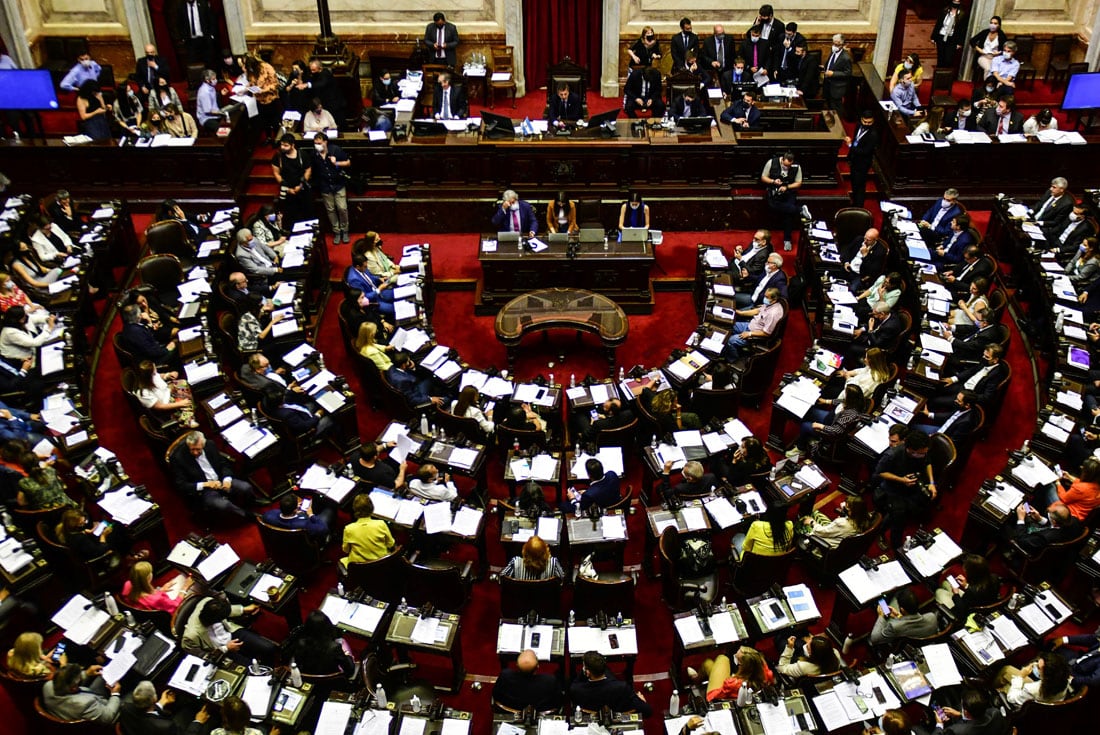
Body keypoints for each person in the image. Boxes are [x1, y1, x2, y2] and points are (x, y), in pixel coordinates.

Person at [168, 431, 257, 521]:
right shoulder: (178, 458)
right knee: (224, 505)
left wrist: (227, 479)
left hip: (221, 479)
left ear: (203, 444)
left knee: (246, 487)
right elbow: (181, 485)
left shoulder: (210, 445)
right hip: (205, 490)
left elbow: (223, 464)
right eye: (192, 449)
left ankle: (251, 505)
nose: (195, 452)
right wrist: (205, 484)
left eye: (198, 449)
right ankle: (246, 515)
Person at [873, 430, 938, 549]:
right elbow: (880, 473)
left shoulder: (922, 450)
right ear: (909, 449)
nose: (922, 455)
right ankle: (896, 546)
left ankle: (882, 526)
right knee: (899, 519)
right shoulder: (892, 455)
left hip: (912, 486)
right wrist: (902, 480)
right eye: (919, 453)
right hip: (893, 489)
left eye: (924, 452)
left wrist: (931, 482)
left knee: (914, 507)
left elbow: (927, 462)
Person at [181, 596, 277, 663]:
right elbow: (202, 656)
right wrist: (226, 648)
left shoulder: (208, 601)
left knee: (269, 648)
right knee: (251, 670)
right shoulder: (190, 636)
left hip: (231, 632)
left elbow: (225, 610)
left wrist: (243, 609)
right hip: (221, 651)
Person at [570, 651, 652, 716]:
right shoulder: (622, 687)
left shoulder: (577, 689)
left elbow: (576, 682)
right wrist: (642, 701)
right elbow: (647, 711)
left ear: (587, 672)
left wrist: (585, 671)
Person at [41, 662, 121, 724]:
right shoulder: (84, 704)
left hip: (88, 699)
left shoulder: (48, 686)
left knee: (102, 677)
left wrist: (86, 673)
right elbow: (108, 717)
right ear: (73, 688)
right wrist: (115, 694)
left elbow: (66, 680)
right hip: (108, 713)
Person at [120, 680, 209, 735]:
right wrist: (198, 722)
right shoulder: (166, 726)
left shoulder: (125, 708)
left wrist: (161, 703)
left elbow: (145, 714)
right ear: (154, 698)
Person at [722, 286, 784, 360]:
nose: (764, 298)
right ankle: (725, 349)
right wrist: (741, 313)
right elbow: (757, 311)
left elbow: (767, 333)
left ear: (774, 300)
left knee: (730, 341)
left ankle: (733, 359)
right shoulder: (770, 303)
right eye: (765, 296)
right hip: (751, 325)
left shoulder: (773, 314)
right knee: (728, 324)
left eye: (766, 297)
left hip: (754, 334)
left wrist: (749, 334)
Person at [285, 610, 355, 676]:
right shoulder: (334, 647)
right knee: (342, 641)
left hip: (308, 678)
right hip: (330, 679)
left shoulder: (300, 643)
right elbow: (350, 671)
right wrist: (348, 656)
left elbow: (298, 664)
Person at [311, 132, 351, 244]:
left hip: (338, 184)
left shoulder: (335, 150)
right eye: (315, 143)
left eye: (319, 143)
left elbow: (348, 163)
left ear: (325, 142)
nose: (317, 145)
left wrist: (336, 163)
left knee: (342, 208)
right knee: (330, 210)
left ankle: (345, 230)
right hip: (325, 186)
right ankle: (337, 232)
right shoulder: (314, 154)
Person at [132, 360, 196, 428]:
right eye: (154, 372)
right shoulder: (143, 393)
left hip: (167, 392)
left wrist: (168, 375)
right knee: (186, 401)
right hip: (166, 405)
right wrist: (180, 404)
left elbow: (159, 376)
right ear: (148, 376)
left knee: (182, 383)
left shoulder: (149, 375)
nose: (155, 372)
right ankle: (188, 419)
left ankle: (188, 413)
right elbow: (160, 407)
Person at [492, 649, 562, 711]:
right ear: (538, 666)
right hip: (541, 710)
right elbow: (558, 700)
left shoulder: (505, 675)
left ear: (516, 664)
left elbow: (496, 694)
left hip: (510, 709)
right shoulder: (550, 680)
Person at [919, 687, 1008, 735]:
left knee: (916, 728)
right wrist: (960, 714)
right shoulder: (995, 713)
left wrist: (939, 724)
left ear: (967, 712)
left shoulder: (956, 731)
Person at [995, 653, 1071, 708]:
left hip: (1028, 703)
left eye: (1038, 667)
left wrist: (1021, 676)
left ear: (1047, 676)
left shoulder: (1031, 689)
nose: (1035, 664)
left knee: (1006, 669)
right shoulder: (1064, 679)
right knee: (1008, 672)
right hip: (1045, 700)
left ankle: (991, 690)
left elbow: (1011, 698)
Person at [341, 493, 396, 568]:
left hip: (359, 569)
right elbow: (390, 544)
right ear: (372, 508)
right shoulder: (381, 524)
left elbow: (346, 550)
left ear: (354, 509)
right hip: (381, 565)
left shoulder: (349, 529)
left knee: (343, 561)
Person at [870, 587, 940, 646]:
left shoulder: (894, 626)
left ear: (902, 609)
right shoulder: (932, 617)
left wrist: (881, 616)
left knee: (890, 598)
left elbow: (874, 638)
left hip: (901, 645)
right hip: (922, 642)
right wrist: (898, 615)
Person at [934, 554, 1000, 616]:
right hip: (982, 601)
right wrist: (966, 585)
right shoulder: (995, 577)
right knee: (945, 584)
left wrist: (956, 594)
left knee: (939, 592)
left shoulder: (972, 592)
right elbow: (981, 593)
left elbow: (962, 609)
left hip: (968, 613)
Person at [701, 645, 774, 701]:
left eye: (736, 657)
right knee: (709, 664)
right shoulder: (766, 673)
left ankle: (697, 678)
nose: (734, 655)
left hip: (727, 697)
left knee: (721, 659)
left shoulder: (732, 683)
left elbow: (711, 697)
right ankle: (698, 676)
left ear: (742, 665)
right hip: (750, 696)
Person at [1008, 501, 1082, 556]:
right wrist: (1040, 519)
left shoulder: (1044, 537)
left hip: (1029, 544)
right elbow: (1056, 526)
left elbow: (1022, 541)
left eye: (1049, 512)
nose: (1048, 510)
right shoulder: (1074, 521)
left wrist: (1021, 519)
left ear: (1054, 521)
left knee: (1005, 525)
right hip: (1047, 536)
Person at [761, 151, 802, 250]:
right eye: (785, 165)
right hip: (774, 190)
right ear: (782, 159)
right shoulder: (772, 162)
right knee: (775, 205)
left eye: (789, 166)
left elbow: (798, 183)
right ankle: (800, 210)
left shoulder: (797, 167)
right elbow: (763, 177)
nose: (787, 168)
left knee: (789, 214)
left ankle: (787, 240)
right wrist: (773, 181)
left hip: (788, 192)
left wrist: (787, 187)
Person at [799, 495, 874, 549]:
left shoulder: (842, 523)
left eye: (847, 507)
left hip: (825, 544)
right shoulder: (865, 517)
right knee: (815, 513)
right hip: (839, 537)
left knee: (804, 522)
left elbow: (821, 532)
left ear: (852, 512)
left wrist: (812, 523)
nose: (844, 506)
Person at [122, 560, 193, 615]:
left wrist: (160, 590)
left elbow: (144, 594)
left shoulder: (127, 584)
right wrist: (185, 587)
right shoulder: (158, 599)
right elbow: (176, 606)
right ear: (148, 578)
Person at [272, 133, 312, 227]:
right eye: (282, 144)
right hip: (287, 189)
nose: (283, 147)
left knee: (306, 212)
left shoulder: (302, 154)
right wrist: (286, 187)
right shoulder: (278, 156)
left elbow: (308, 170)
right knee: (290, 214)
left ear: (292, 145)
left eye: (286, 145)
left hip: (302, 189)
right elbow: (276, 173)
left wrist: (301, 185)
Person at [262, 493, 333, 543]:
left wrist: (296, 513)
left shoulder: (268, 516)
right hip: (304, 543)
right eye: (297, 505)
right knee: (330, 509)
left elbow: (277, 513)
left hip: (282, 540)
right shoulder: (304, 524)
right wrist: (311, 515)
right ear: (295, 510)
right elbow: (323, 528)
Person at [1046, 457, 1100, 521]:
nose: (1081, 467)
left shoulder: (1081, 488)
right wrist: (1069, 477)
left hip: (1067, 514)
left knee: (1049, 486)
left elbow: (1063, 498)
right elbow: (1084, 484)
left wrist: (1058, 483)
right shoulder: (1096, 485)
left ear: (1086, 474)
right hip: (1080, 516)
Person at [846, 110, 880, 207]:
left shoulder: (873, 134)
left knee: (859, 186)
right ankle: (855, 203)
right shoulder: (858, 126)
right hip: (854, 160)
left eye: (869, 122)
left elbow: (865, 151)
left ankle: (859, 206)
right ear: (861, 120)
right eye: (865, 122)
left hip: (863, 164)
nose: (866, 124)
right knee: (854, 184)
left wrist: (850, 146)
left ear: (873, 121)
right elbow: (856, 139)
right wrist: (849, 156)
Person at [777, 634, 844, 678]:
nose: (807, 643)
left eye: (808, 647)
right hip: (822, 675)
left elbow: (782, 668)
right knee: (800, 643)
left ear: (813, 655)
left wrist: (789, 647)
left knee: (781, 642)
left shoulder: (803, 666)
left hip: (801, 675)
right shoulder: (836, 653)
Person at [177, 0, 217, 69]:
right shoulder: (181, 7)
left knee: (209, 61)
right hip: (190, 41)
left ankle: (210, 78)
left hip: (205, 39)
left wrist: (211, 36)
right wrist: (183, 38)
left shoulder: (203, 4)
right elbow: (179, 24)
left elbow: (211, 20)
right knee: (194, 64)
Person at [931, 1, 967, 68]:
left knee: (948, 59)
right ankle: (939, 75)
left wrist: (960, 43)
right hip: (941, 36)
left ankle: (946, 76)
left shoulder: (962, 15)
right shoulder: (944, 11)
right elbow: (938, 24)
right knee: (940, 58)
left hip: (952, 39)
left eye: (957, 1)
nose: (955, 3)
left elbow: (962, 30)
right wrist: (933, 37)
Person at [822, 34, 853, 115]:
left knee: (836, 109)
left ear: (842, 44)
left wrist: (833, 73)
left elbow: (848, 73)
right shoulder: (833, 52)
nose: (834, 46)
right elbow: (831, 64)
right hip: (828, 84)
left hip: (837, 87)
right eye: (833, 43)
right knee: (828, 106)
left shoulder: (845, 58)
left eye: (837, 44)